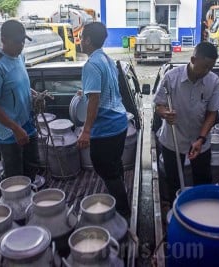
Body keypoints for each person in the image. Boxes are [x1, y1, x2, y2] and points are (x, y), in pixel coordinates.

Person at [154, 42, 219, 204]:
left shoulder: (213, 81)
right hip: (173, 140)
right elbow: (158, 105)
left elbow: (212, 114)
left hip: (200, 141)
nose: (207, 72)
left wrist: (201, 139)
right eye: (204, 67)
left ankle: (200, 212)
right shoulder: (171, 78)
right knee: (173, 182)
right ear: (192, 59)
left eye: (210, 67)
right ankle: (175, 210)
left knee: (203, 181)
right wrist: (165, 114)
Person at [77, 22, 131, 218]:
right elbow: (104, 89)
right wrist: (84, 92)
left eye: (82, 37)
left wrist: (86, 131)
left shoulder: (91, 64)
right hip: (120, 122)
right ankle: (119, 193)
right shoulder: (107, 59)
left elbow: (95, 99)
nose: (80, 41)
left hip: (106, 126)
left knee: (102, 166)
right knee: (114, 165)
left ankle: (123, 211)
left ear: (88, 40)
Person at [0, 19, 39, 181]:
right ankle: (13, 203)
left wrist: (33, 94)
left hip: (26, 123)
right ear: (3, 40)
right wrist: (15, 128)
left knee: (32, 165)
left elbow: (19, 85)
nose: (21, 45)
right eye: (17, 42)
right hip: (8, 132)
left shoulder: (20, 57)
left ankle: (29, 196)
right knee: (14, 176)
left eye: (23, 41)